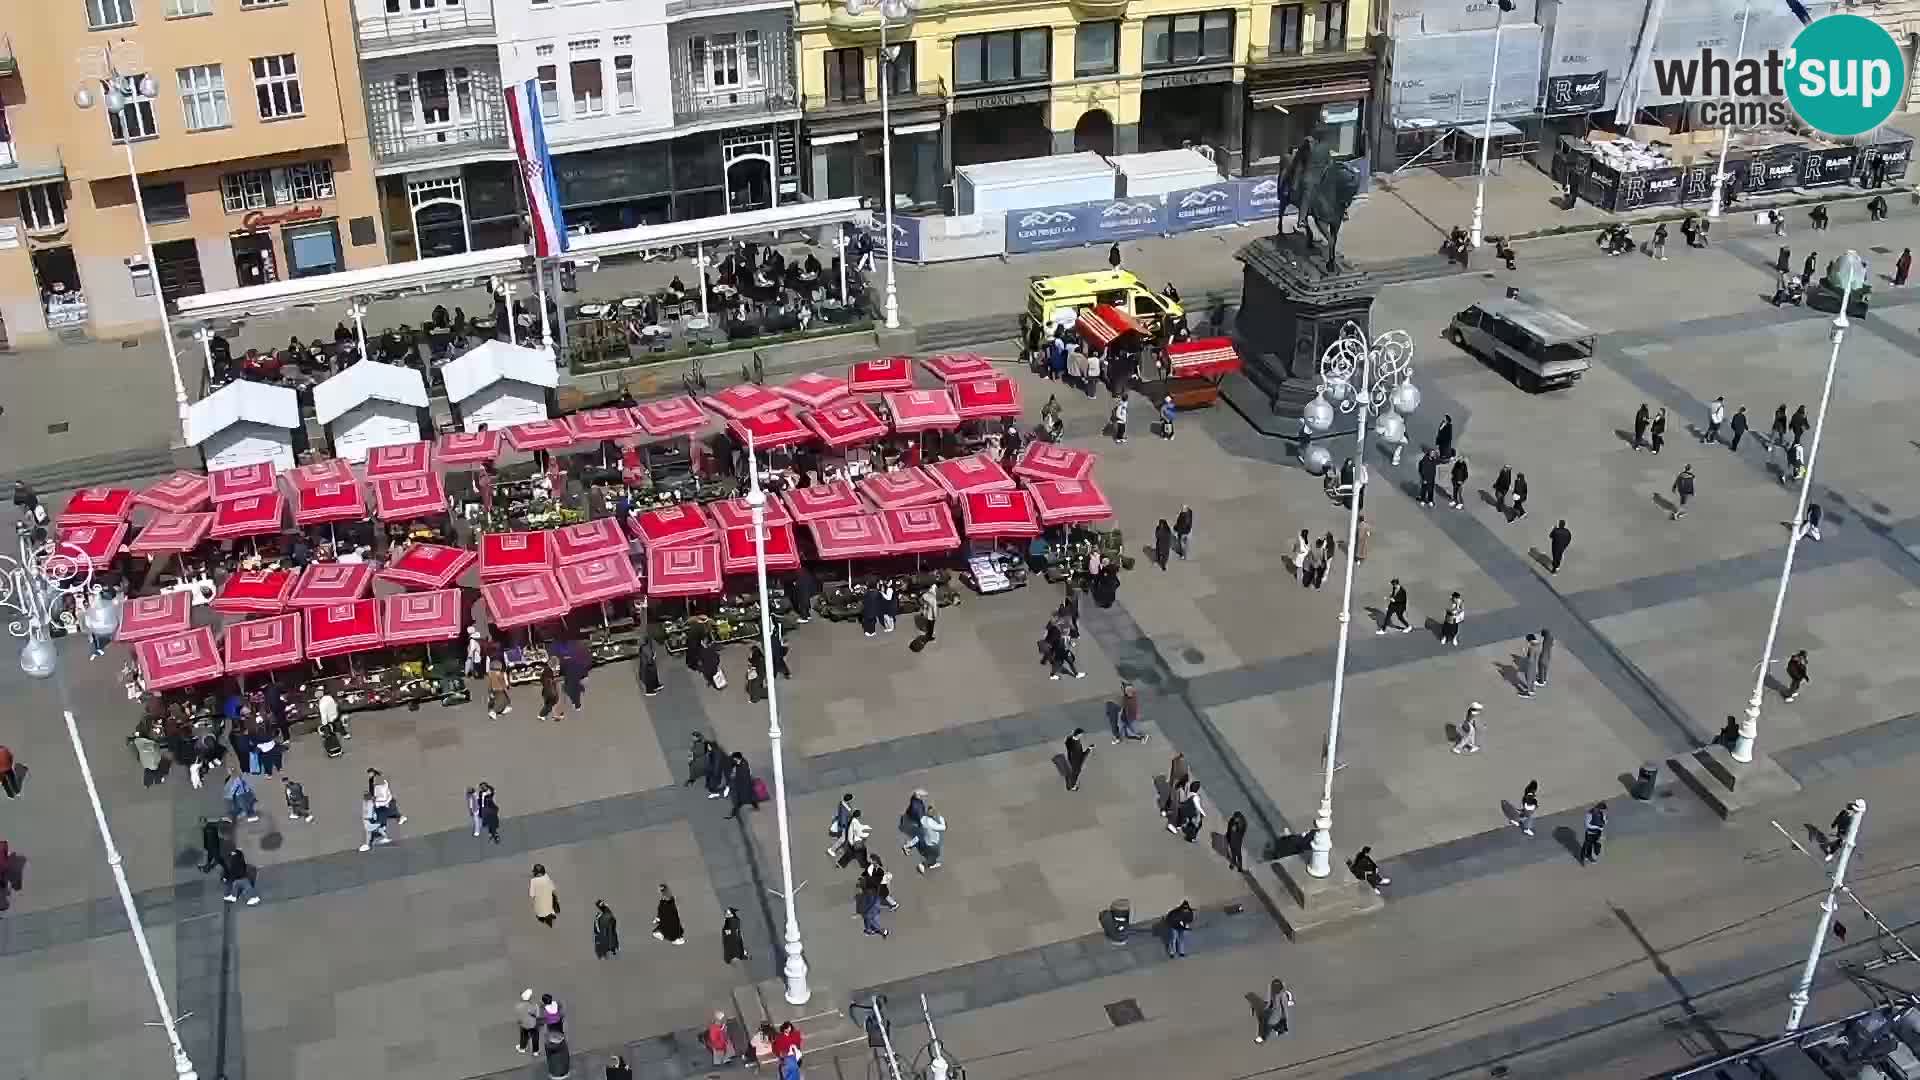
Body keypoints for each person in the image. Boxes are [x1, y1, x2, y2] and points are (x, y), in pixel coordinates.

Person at [1256, 979, 1294, 1043]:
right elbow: (1270, 1002)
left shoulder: (1282, 995)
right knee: (1264, 1019)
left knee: (1268, 1024)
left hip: (1277, 1015)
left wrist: (1285, 1023)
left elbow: (1284, 1009)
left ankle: (1263, 1037)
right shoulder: (1272, 992)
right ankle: (1280, 1029)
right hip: (1273, 1012)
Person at [913, 803, 946, 872]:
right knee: (936, 854)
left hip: (926, 840)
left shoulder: (923, 819)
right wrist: (941, 819)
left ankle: (931, 862)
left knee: (930, 852)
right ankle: (924, 864)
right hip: (933, 843)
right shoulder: (932, 824)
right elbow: (943, 827)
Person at [727, 752, 760, 819]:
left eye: (734, 758)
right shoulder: (740, 762)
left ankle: (732, 814)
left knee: (741, 801)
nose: (733, 759)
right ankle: (755, 806)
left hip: (744, 786)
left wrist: (733, 777)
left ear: (737, 758)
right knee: (748, 799)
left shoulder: (743, 766)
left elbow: (742, 776)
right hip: (744, 786)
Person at [516, 989, 542, 1054]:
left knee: (524, 1036)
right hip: (533, 1024)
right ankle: (535, 1051)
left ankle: (522, 1048)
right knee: (535, 1037)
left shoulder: (518, 1006)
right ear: (530, 998)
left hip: (523, 1024)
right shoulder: (534, 1006)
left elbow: (518, 1017)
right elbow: (537, 1015)